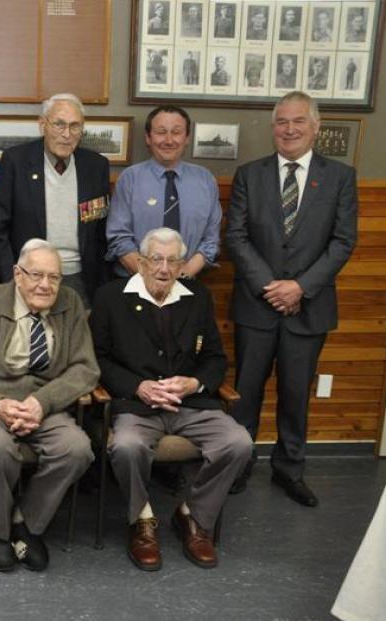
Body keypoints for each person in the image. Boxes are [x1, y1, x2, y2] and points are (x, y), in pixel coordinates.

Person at [93, 227, 252, 571]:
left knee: (238, 442)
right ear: (141, 261)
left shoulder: (197, 296)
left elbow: (215, 358)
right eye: (156, 259)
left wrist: (195, 383)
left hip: (190, 404)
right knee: (126, 447)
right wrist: (138, 386)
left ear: (182, 264)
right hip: (137, 406)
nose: (164, 269)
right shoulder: (110, 297)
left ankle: (193, 514)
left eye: (172, 260)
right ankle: (142, 520)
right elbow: (98, 359)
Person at [226, 92, 357, 506]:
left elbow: (342, 241)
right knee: (246, 391)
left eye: (299, 121)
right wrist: (273, 287)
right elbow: (237, 236)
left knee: (297, 392)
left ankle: (289, 469)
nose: (289, 129)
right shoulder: (250, 174)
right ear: (273, 127)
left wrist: (300, 287)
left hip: (310, 306)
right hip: (255, 304)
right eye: (282, 121)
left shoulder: (340, 176)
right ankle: (239, 465)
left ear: (316, 127)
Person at [0, 239, 97, 572]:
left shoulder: (70, 303)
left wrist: (42, 402)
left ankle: (27, 523)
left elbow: (86, 368)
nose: (46, 284)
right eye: (37, 275)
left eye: (54, 277)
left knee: (77, 448)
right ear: (17, 274)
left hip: (45, 404)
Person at [0, 93, 112, 307]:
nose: (67, 134)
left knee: (76, 339)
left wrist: (102, 283)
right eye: (59, 124)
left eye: (75, 126)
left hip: (79, 279)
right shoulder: (16, 161)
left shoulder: (96, 166)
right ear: (42, 125)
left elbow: (101, 230)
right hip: (30, 278)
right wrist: (10, 280)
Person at [107, 106, 220, 280]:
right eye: (161, 132)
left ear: (187, 138)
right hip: (136, 282)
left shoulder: (205, 180)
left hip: (188, 283)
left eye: (176, 132)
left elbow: (210, 241)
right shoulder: (130, 179)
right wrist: (153, 278)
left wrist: (184, 274)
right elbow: (119, 239)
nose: (168, 140)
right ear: (148, 137)